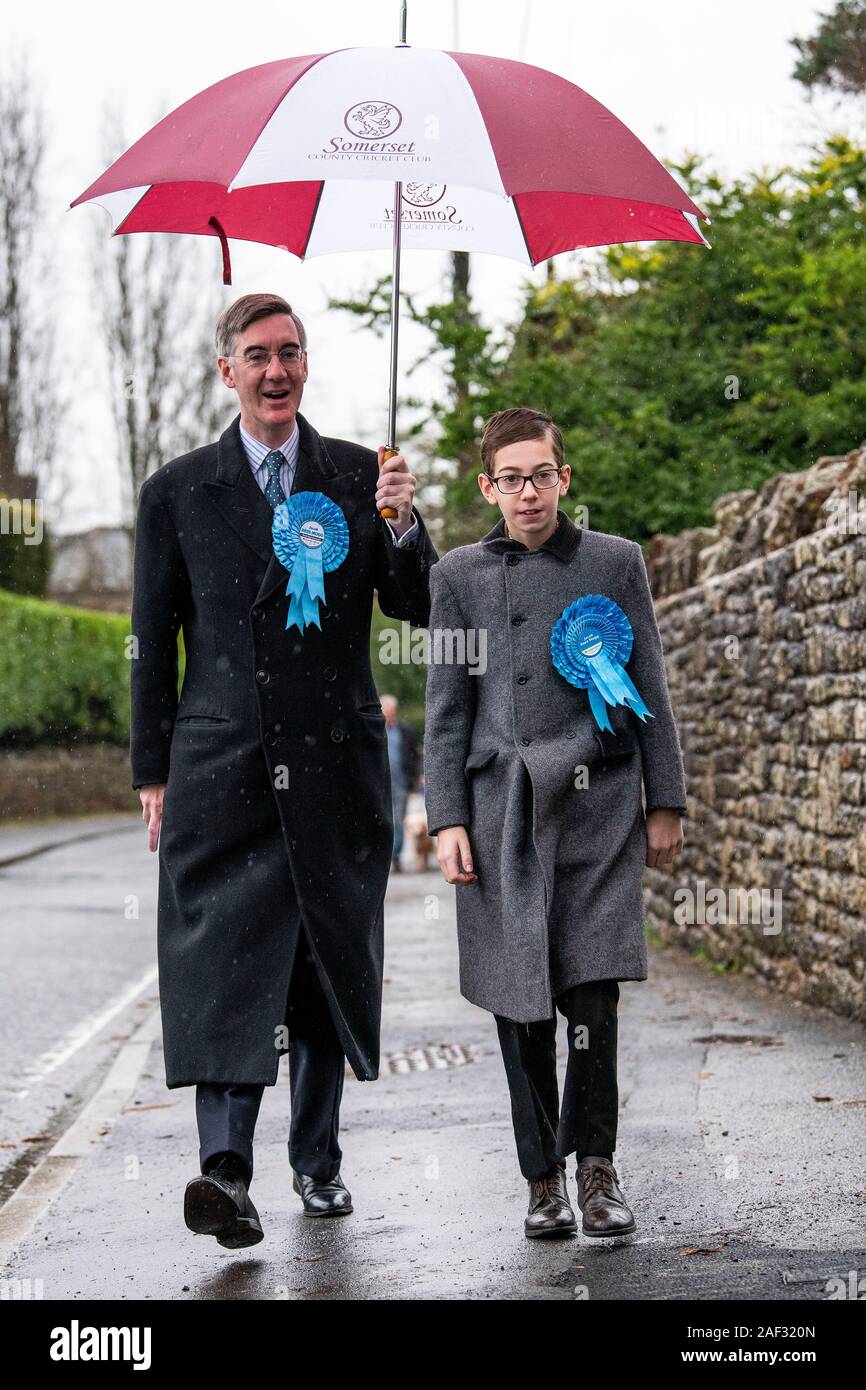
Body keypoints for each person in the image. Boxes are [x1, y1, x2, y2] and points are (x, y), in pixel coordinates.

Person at [131, 292, 437, 1248]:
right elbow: (153, 639)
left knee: (320, 965)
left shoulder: (358, 473)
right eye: (258, 355)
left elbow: (419, 604)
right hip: (219, 768)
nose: (277, 371)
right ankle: (224, 1172)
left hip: (337, 762)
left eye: (292, 353)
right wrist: (152, 772)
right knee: (222, 965)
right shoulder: (177, 489)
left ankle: (319, 1162)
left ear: (307, 365)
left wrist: (400, 521)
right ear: (226, 369)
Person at [423, 407, 686, 1240]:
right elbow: (445, 710)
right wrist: (447, 819)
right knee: (519, 1003)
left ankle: (598, 1169)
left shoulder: (615, 562)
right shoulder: (458, 576)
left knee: (591, 993)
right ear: (488, 487)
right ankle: (542, 1179)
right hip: (501, 814)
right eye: (512, 478)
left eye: (542, 475)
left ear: (563, 479)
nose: (528, 492)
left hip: (599, 806)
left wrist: (665, 798)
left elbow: (650, 680)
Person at [379, 693, 421, 871]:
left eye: (392, 711)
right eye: (386, 711)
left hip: (400, 783)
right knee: (381, 821)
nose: (390, 714)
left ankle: (394, 857)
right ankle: (385, 857)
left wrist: (418, 775)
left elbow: (415, 756)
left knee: (398, 820)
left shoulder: (405, 731)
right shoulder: (374, 731)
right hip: (380, 784)